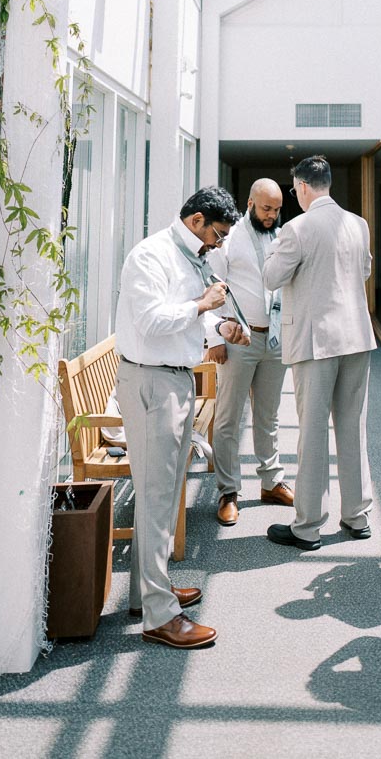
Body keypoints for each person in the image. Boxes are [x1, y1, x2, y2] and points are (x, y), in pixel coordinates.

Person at [114, 185, 247, 649]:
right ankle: (159, 617)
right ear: (196, 221)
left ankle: (148, 594)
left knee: (167, 491)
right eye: (218, 234)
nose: (220, 243)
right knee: (155, 496)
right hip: (152, 381)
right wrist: (202, 305)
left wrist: (220, 325)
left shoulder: (188, 254)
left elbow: (189, 317)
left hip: (173, 379)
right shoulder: (151, 257)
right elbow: (151, 321)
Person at [262, 155, 376, 551]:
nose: (295, 195)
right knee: (352, 427)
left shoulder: (295, 228)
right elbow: (363, 271)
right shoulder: (358, 224)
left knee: (312, 433)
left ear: (304, 187)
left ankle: (308, 526)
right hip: (357, 338)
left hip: (316, 341)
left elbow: (271, 277)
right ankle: (357, 516)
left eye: (294, 190)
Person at [204, 179, 294, 526]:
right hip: (238, 340)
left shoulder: (280, 236)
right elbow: (213, 286)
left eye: (276, 210)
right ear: (250, 203)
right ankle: (228, 492)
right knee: (228, 418)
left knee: (269, 416)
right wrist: (215, 339)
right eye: (266, 208)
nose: (271, 215)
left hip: (273, 341)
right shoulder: (230, 238)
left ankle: (271, 482)